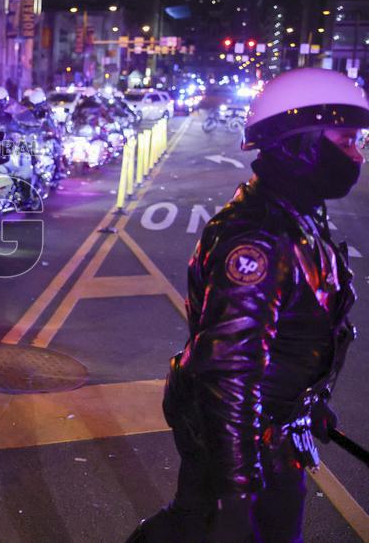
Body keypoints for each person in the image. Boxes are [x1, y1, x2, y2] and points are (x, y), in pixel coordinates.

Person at [126, 68, 369, 543]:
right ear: (300, 145)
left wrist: (309, 401)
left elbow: (299, 333)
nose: (356, 154)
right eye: (345, 140)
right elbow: (229, 373)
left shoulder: (297, 215)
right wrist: (235, 494)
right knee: (207, 526)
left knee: (201, 523)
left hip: (271, 427)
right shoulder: (258, 239)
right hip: (244, 440)